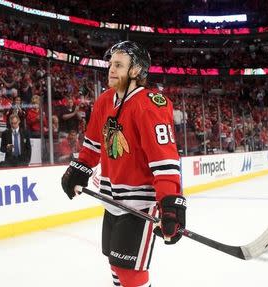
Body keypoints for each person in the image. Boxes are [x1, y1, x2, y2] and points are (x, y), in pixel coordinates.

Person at [61, 41, 186, 287]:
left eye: (118, 65)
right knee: (116, 267)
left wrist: (170, 205)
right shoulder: (105, 100)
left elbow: (165, 162)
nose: (111, 69)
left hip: (140, 204)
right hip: (113, 201)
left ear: (136, 70)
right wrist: (80, 169)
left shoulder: (150, 105)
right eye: (111, 64)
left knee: (131, 273)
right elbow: (93, 145)